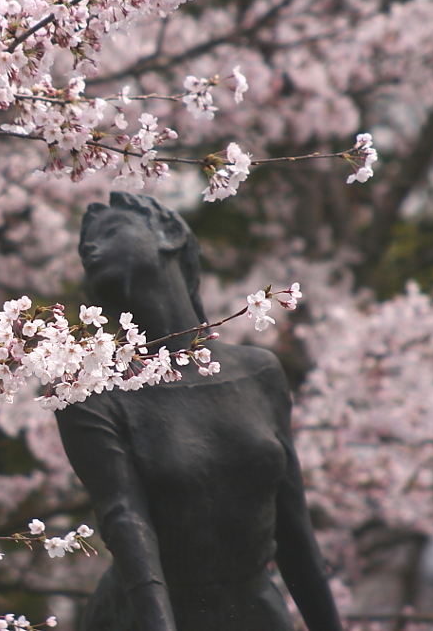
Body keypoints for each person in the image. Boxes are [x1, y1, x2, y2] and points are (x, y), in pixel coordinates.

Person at [55, 192, 343, 631]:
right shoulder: (88, 393)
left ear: (169, 235)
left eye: (110, 233)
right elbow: (127, 523)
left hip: (255, 613)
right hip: (144, 617)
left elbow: (294, 529)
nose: (90, 250)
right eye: (84, 248)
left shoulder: (259, 372)